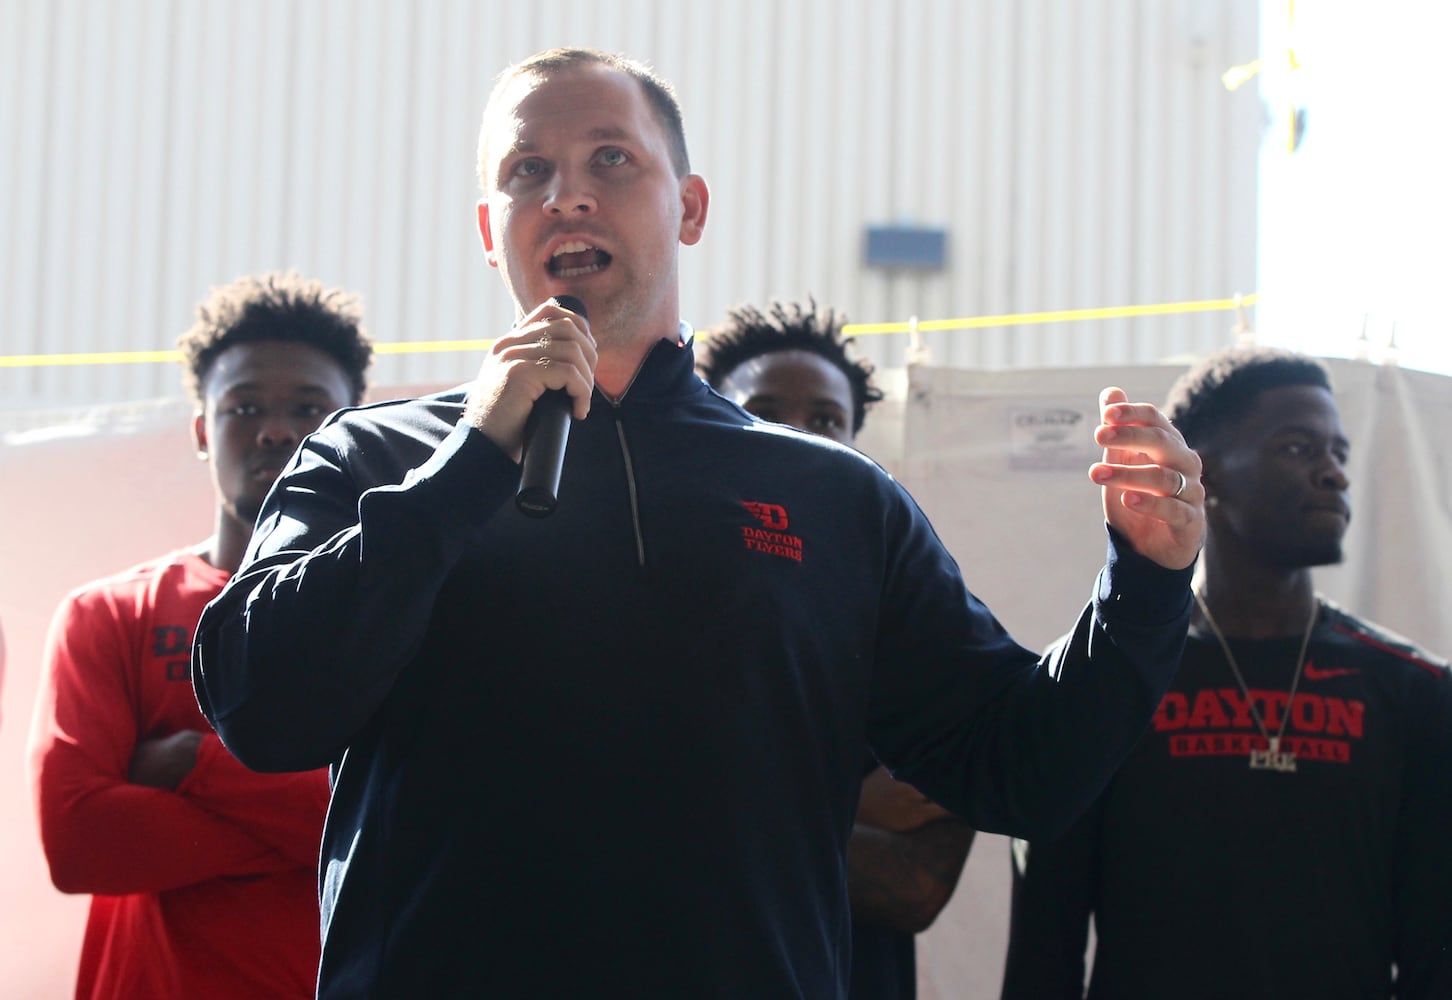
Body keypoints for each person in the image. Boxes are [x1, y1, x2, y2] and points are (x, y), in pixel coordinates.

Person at [190, 48, 1205, 998]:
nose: (568, 194)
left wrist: (1147, 585)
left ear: (690, 207)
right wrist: (468, 466)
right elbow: (262, 703)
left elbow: (1022, 766)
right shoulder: (369, 461)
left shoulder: (835, 499)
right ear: (488, 228)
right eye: (528, 169)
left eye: (611, 159)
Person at [1000, 346, 1452, 999]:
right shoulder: (1103, 683)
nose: (1335, 476)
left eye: (1339, 453)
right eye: (1298, 448)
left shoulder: (1416, 692)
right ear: (1203, 474)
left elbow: (1436, 958)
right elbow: (1045, 953)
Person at [28, 272, 374, 999]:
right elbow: (79, 841)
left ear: (353, 426)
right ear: (200, 429)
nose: (276, 429)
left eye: (309, 408)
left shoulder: (401, 615)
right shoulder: (108, 615)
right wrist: (318, 824)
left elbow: (409, 836)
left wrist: (189, 763)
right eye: (244, 406)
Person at [701, 299, 974, 999]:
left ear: (857, 444)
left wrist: (701, 818)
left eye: (824, 421)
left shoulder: (909, 622)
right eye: (763, 412)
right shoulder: (647, 604)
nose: (795, 438)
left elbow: (916, 886)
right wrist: (844, 809)